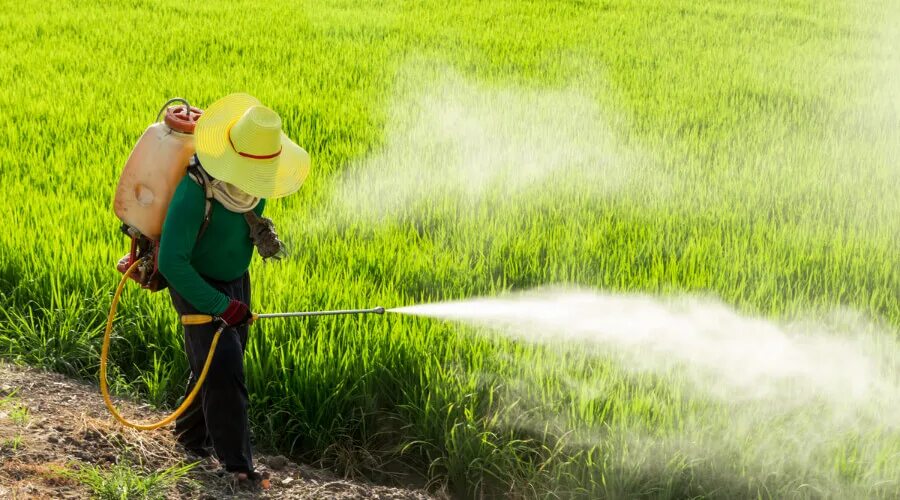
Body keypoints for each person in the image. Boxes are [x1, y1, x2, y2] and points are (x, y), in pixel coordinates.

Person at [157, 93, 310, 486]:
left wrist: (258, 230)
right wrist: (219, 305)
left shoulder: (250, 186)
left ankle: (191, 438)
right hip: (196, 282)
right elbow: (171, 262)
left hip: (236, 281)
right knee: (225, 366)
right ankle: (237, 466)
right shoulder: (196, 191)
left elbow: (239, 218)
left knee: (216, 361)